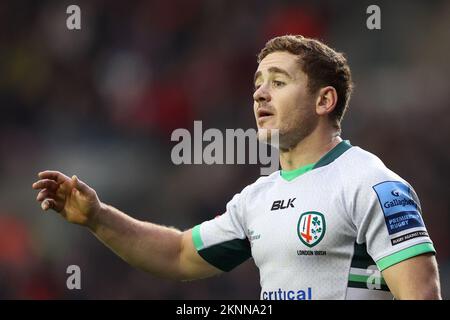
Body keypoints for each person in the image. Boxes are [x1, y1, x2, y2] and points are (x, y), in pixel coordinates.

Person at [32, 35, 441, 300]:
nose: (261, 93)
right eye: (258, 84)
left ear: (324, 101)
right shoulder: (257, 199)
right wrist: (99, 218)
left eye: (278, 82)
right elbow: (178, 254)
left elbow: (421, 295)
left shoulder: (373, 185)